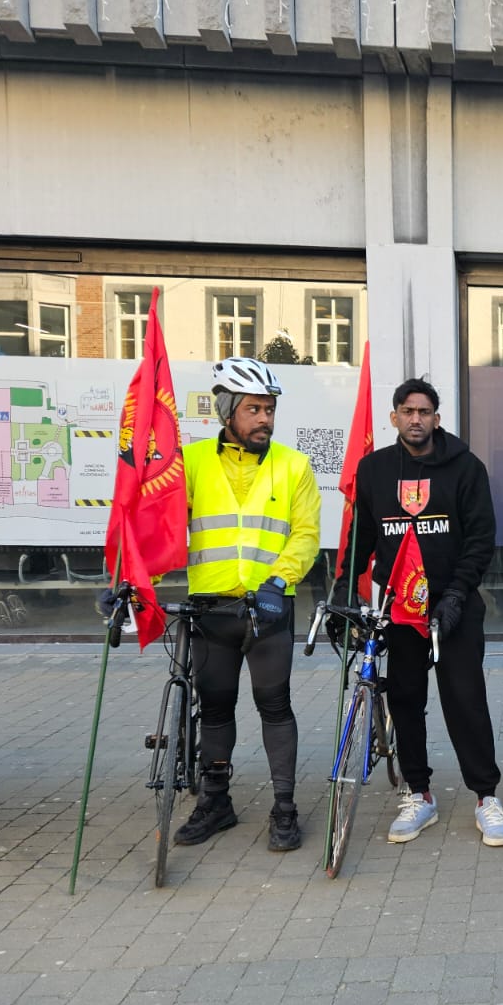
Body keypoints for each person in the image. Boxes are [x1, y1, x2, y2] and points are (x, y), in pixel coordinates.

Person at [335, 378, 503, 848]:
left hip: (454, 606)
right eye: (407, 411)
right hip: (399, 608)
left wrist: (455, 595)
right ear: (394, 417)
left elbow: (480, 540)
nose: (416, 419)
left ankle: (486, 796)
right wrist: (341, 591)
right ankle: (418, 793)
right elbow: (361, 540)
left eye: (424, 411)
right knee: (406, 701)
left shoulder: (466, 468)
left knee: (465, 701)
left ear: (437, 417)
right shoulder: (373, 471)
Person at [171, 357, 320, 852]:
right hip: (210, 609)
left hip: (269, 610)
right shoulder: (190, 462)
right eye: (254, 409)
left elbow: (305, 535)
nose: (265, 419)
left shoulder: (294, 465)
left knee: (275, 706)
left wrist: (280, 581)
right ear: (226, 410)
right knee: (214, 708)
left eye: (270, 409)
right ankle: (216, 803)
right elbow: (162, 531)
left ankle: (284, 808)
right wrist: (132, 581)